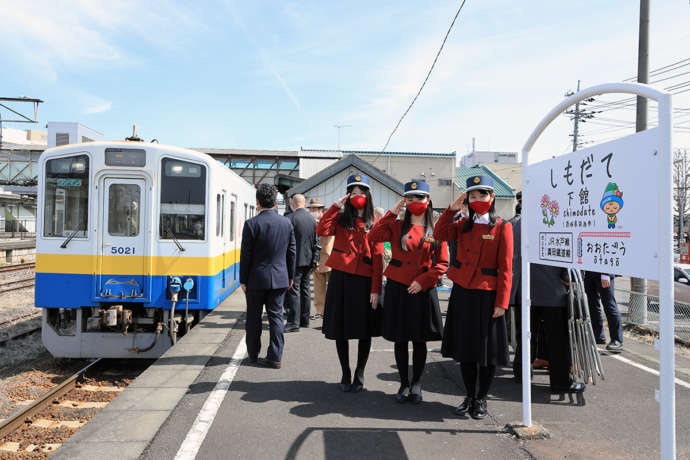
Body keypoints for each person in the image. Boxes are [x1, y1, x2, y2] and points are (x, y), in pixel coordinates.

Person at [434, 175, 513, 420]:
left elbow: (507, 267)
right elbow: (439, 233)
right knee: (466, 350)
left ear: (492, 198)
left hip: (488, 296)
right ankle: (469, 395)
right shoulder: (462, 224)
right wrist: (451, 209)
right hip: (463, 292)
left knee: (486, 353)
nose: (478, 199)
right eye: (473, 195)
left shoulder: (502, 226)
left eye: (482, 195)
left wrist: (502, 302)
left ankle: (482, 399)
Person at [370, 180, 448, 404]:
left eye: (419, 198)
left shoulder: (435, 230)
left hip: (422, 290)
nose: (414, 203)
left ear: (428, 201)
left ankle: (417, 383)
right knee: (401, 339)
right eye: (410, 199)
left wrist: (423, 281)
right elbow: (373, 237)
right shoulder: (396, 225)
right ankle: (404, 383)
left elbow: (442, 263)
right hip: (398, 287)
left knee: (419, 339)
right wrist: (391, 214)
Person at [317, 174, 384, 392]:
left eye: (361, 192)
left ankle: (360, 373)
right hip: (341, 279)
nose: (357, 196)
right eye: (353, 193)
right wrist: (335, 207)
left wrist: (376, 288)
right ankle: (345, 372)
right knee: (341, 329)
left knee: (364, 330)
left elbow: (378, 258)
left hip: (364, 281)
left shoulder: (375, 221)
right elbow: (321, 230)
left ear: (368, 195)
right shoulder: (340, 218)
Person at [510, 214, 585, 393]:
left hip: (525, 288)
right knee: (557, 339)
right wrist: (570, 277)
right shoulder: (559, 221)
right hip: (553, 290)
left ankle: (522, 374)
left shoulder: (518, 223)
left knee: (526, 335)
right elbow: (568, 252)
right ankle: (560, 382)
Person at [240, 184, 296, 369]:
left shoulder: (251, 224)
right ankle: (275, 357)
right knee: (276, 317)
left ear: (257, 202)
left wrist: (243, 280)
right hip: (280, 277)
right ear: (275, 202)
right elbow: (291, 252)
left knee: (254, 318)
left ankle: (253, 355)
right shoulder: (286, 223)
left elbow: (246, 255)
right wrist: (290, 276)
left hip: (256, 279)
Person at [285, 194, 320, 332]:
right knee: (305, 290)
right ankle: (305, 320)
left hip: (294, 260)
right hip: (309, 259)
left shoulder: (290, 219)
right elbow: (316, 242)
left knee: (294, 291)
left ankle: (294, 322)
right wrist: (315, 259)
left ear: (293, 203)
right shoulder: (312, 219)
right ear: (304, 204)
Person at [584, 271, 624, 352]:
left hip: (603, 271)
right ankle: (598, 335)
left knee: (609, 305)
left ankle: (617, 340)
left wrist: (606, 274)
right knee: (592, 305)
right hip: (589, 271)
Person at [308, 197, 331, 320]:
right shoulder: (311, 221)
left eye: (314, 208)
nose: (312, 211)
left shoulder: (327, 221)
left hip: (328, 258)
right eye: (311, 208)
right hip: (316, 259)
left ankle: (331, 310)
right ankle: (320, 311)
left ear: (320, 209)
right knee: (318, 288)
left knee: (331, 287)